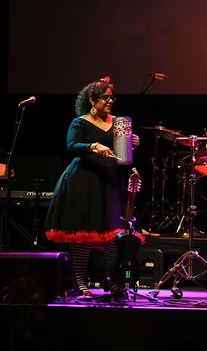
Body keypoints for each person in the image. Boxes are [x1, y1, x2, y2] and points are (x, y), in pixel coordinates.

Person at [44, 76, 143, 299]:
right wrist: (93, 145)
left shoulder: (118, 122)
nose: (110, 101)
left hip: (109, 181)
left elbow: (123, 157)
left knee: (112, 234)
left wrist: (132, 144)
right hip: (83, 180)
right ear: (92, 99)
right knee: (83, 234)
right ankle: (81, 283)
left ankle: (112, 279)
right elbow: (71, 146)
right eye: (105, 97)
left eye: (111, 97)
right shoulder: (80, 122)